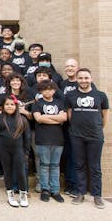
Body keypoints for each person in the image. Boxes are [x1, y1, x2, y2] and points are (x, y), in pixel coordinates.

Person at [65, 68, 108, 209]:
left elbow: (104, 117)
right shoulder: (70, 95)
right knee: (79, 164)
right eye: (81, 78)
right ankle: (81, 192)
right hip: (76, 135)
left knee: (95, 167)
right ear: (77, 79)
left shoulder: (100, 95)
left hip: (95, 136)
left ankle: (97, 195)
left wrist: (97, 128)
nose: (83, 81)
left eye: (86, 78)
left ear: (91, 78)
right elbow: (70, 115)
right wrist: (76, 128)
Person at [0, 96, 31, 208]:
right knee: (7, 172)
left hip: (18, 150)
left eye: (12, 104)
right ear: (3, 106)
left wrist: (26, 152)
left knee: (21, 172)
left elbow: (27, 137)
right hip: (4, 150)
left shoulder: (22, 119)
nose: (9, 106)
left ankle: (23, 194)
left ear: (16, 106)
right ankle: (10, 194)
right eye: (7, 104)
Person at [32, 80, 67, 203]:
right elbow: (38, 118)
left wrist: (46, 117)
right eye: (45, 89)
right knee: (44, 165)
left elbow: (64, 118)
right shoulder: (37, 104)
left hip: (58, 139)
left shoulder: (59, 102)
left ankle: (55, 190)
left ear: (54, 90)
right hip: (42, 139)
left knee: (55, 165)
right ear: (41, 91)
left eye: (50, 89)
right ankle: (45, 190)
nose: (48, 91)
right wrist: (56, 119)